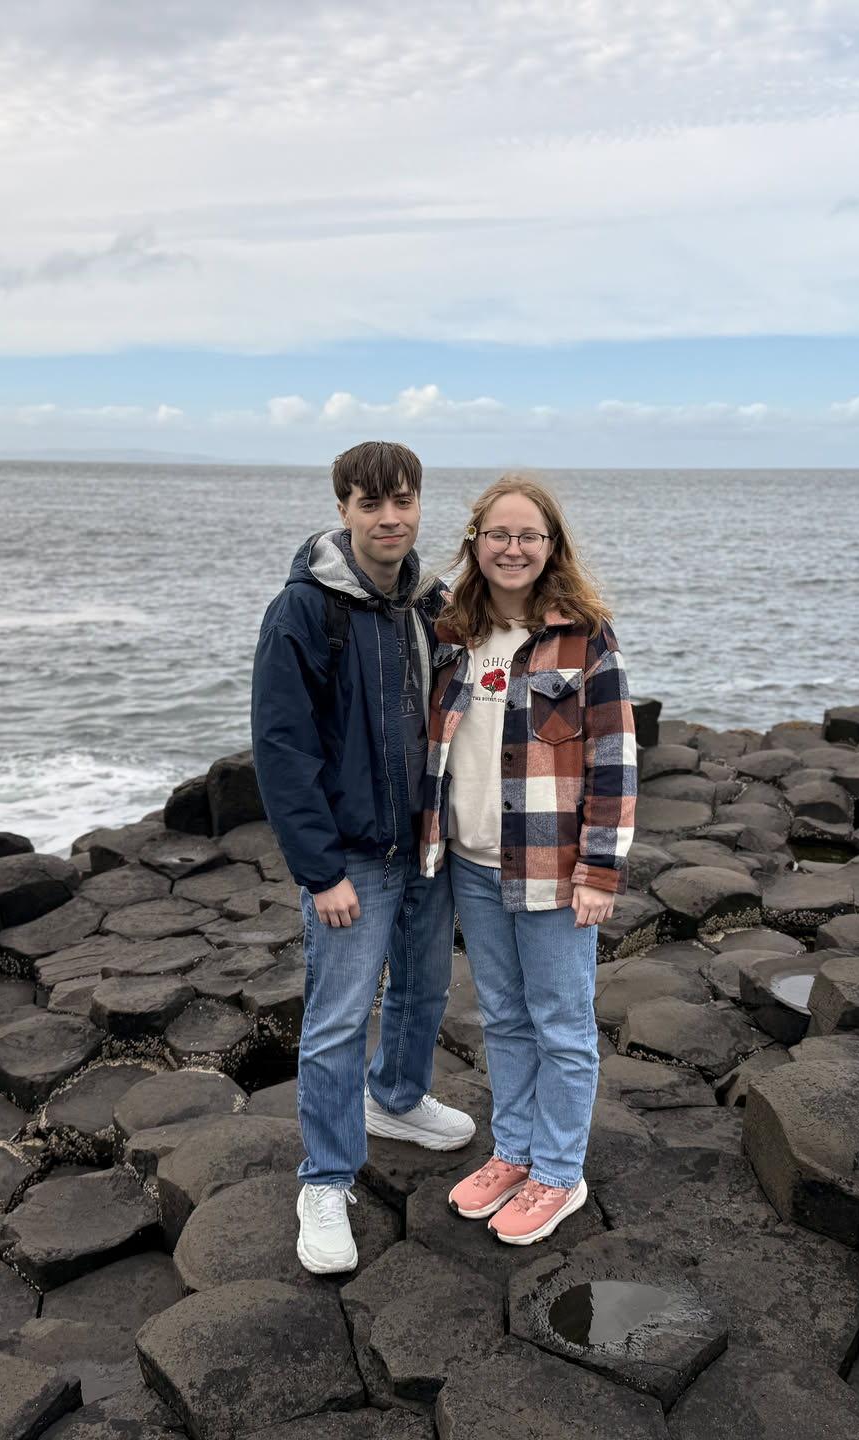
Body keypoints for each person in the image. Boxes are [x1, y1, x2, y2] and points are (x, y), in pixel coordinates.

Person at [251, 440, 475, 1276]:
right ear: (342, 508)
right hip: (351, 856)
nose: (390, 518)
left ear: (420, 504)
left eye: (404, 500)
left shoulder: (429, 599)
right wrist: (320, 871)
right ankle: (325, 1178)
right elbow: (281, 748)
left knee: (424, 988)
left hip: (426, 844)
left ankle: (398, 1099)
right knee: (338, 1017)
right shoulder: (305, 610)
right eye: (371, 503)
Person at [419, 476, 636, 1244]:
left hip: (550, 868)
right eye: (498, 535)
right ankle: (513, 1152)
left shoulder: (585, 637)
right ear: (475, 542)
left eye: (528, 537)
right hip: (471, 866)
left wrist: (600, 871)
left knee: (563, 1025)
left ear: (551, 549)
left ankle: (558, 1173)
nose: (512, 549)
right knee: (503, 1018)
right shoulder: (452, 634)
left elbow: (613, 762)